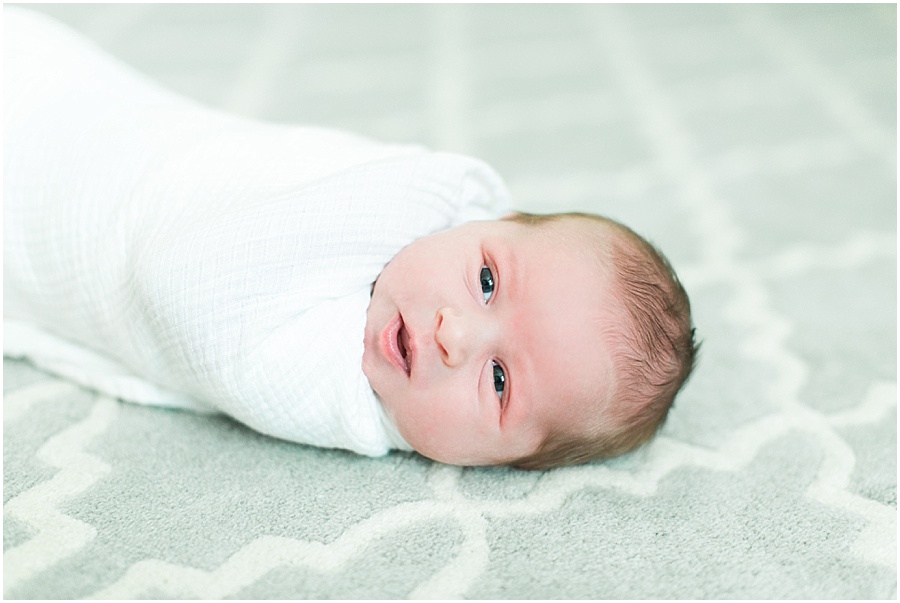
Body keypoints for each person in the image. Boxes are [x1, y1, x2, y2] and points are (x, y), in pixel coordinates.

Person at [4, 7, 698, 470]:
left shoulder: (342, 393)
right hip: (89, 108)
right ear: (493, 221)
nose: (456, 334)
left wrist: (434, 190)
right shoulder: (433, 236)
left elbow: (183, 284)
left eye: (499, 380)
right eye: (487, 280)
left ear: (503, 461)